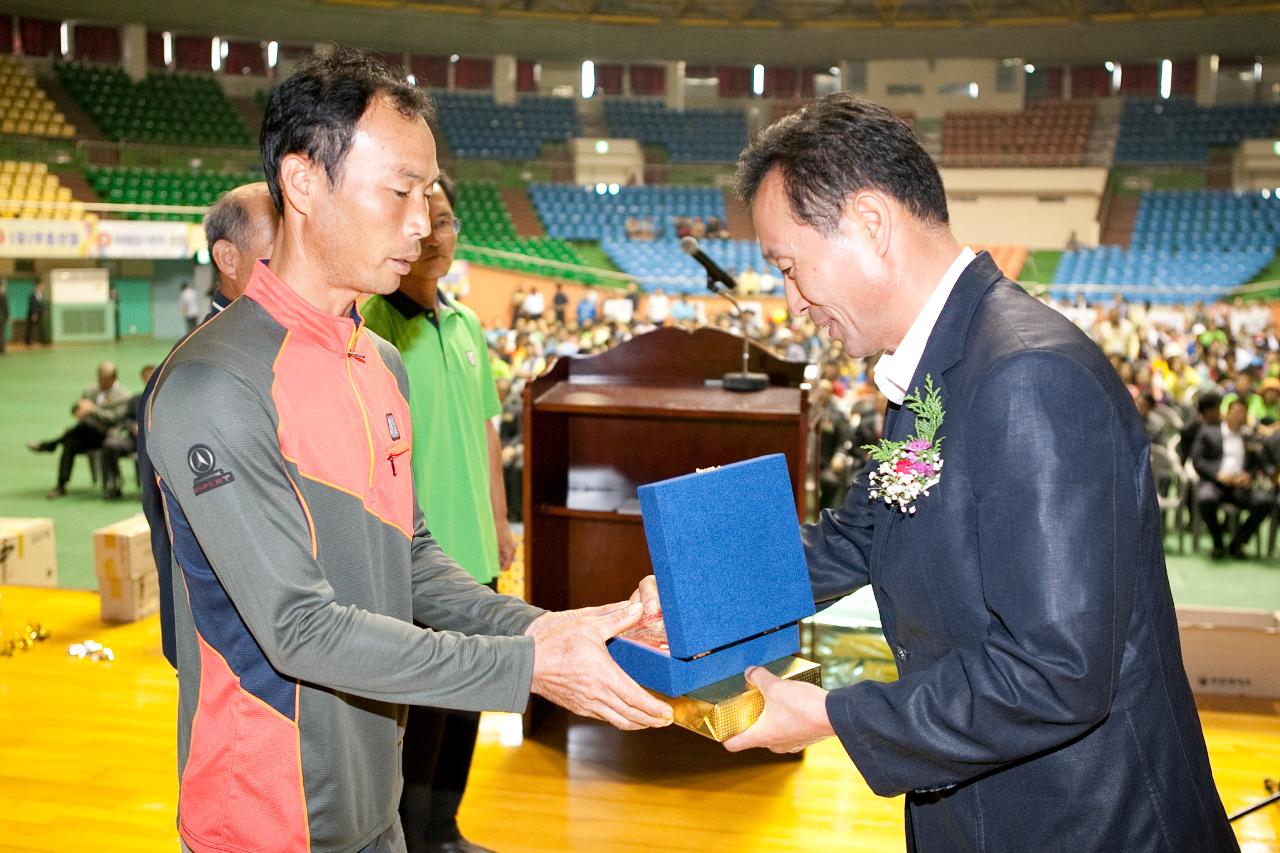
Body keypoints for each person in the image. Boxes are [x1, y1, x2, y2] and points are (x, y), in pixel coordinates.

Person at [636, 93, 1234, 851]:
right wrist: (696, 598)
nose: (792, 302)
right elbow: (862, 535)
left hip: (1085, 819)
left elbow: (1057, 672)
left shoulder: (1029, 376)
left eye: (789, 266)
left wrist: (830, 715)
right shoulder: (933, 367)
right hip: (973, 808)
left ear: (872, 223)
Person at [144, 49, 669, 853]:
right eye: (399, 191)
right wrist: (527, 671)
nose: (423, 223)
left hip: (373, 798)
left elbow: (412, 561)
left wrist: (553, 630)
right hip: (266, 816)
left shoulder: (378, 361)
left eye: (428, 194)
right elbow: (299, 629)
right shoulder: (215, 384)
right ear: (304, 182)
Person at [360, 172, 518, 853]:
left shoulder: (466, 324)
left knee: (468, 707)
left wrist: (502, 523)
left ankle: (446, 831)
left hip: (476, 551)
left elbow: (487, 433)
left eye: (445, 219)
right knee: (421, 717)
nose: (433, 234)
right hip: (418, 561)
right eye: (421, 217)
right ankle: (414, 839)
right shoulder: (373, 325)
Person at [139, 181, 280, 668]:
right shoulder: (190, 374)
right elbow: (170, 531)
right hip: (239, 657)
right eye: (275, 251)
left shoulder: (284, 355)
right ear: (228, 257)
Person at [27, 361, 131, 498]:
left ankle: (51, 444)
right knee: (70, 442)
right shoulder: (90, 390)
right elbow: (76, 408)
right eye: (98, 377)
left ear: (113, 378)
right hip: (86, 433)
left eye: (104, 379)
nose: (100, 381)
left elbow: (116, 418)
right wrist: (78, 409)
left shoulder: (123, 395)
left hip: (107, 435)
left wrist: (94, 410)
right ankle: (61, 485)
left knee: (81, 428)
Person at [1191, 396, 1274, 559]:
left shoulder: (1250, 438)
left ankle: (1238, 542)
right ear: (1227, 413)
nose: (1239, 416)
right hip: (1215, 483)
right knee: (1205, 498)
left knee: (1265, 502)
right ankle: (1218, 542)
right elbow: (1198, 460)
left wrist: (1248, 475)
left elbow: (1258, 465)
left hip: (1239, 487)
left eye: (1243, 413)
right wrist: (1217, 474)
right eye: (1236, 412)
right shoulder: (1209, 432)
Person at [101, 364, 156, 499]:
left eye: (151, 375)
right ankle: (114, 483)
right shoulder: (136, 399)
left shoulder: (164, 399)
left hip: (154, 442)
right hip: (135, 440)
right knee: (110, 445)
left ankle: (149, 492)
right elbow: (125, 419)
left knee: (145, 455)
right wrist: (132, 426)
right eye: (145, 376)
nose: (148, 379)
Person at [25, 281, 45, 345]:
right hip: (33, 314)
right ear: (37, 286)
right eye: (41, 286)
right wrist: (34, 313)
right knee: (30, 328)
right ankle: (28, 341)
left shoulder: (40, 295)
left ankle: (42, 340)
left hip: (39, 314)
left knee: (40, 327)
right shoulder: (32, 295)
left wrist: (43, 310)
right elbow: (32, 305)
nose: (42, 288)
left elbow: (40, 305)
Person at [0, 279, 9, 354]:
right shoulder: (3, 295)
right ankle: (2, 349)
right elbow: (6, 307)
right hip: (2, 317)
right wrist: (7, 316)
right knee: (2, 333)